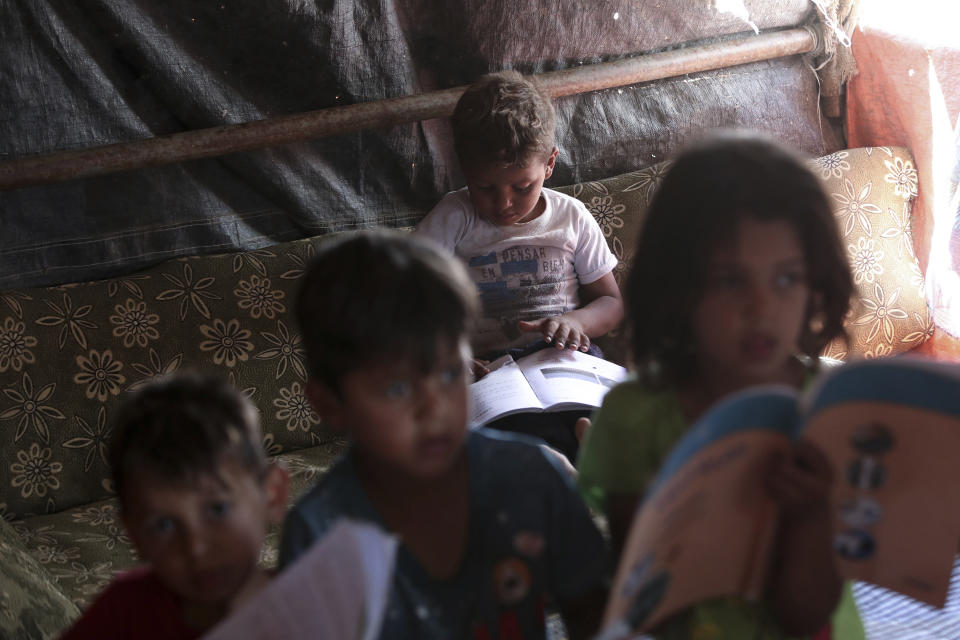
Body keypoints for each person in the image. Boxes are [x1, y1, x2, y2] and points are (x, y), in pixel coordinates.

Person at [577, 133, 866, 639]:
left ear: (815, 280)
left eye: (786, 279)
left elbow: (809, 613)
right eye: (731, 280)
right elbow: (636, 599)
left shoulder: (829, 411)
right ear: (678, 285)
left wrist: (811, 518)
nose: (761, 309)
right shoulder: (635, 415)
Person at [279, 230, 609, 639]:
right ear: (329, 404)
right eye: (398, 388)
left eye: (451, 373)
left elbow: (594, 613)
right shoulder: (319, 533)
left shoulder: (532, 476)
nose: (434, 407)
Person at [415, 70, 624, 460]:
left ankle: (589, 455)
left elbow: (611, 303)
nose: (504, 203)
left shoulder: (571, 217)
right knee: (502, 434)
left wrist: (577, 322)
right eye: (485, 187)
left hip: (563, 361)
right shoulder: (453, 219)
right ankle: (557, 465)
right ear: (464, 170)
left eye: (522, 187)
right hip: (491, 371)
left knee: (614, 412)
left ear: (549, 164)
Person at [60, 372, 290, 640]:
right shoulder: (123, 611)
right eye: (163, 525)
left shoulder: (312, 606)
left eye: (217, 510)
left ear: (272, 495)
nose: (195, 547)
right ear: (134, 535)